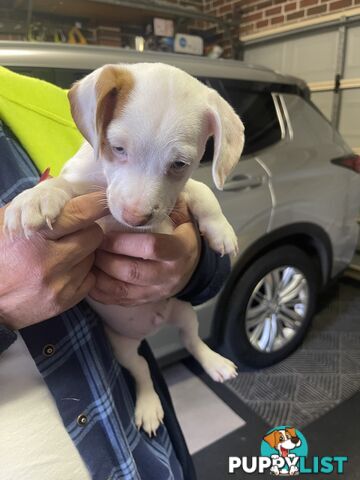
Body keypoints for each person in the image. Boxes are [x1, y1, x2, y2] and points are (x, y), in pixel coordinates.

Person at [0, 90, 230, 478]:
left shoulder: (66, 105)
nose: (137, 206)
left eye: (176, 163)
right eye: (119, 150)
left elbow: (208, 255)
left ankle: (197, 347)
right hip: (116, 362)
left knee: (185, 321)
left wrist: (194, 264)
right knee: (133, 358)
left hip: (136, 452)